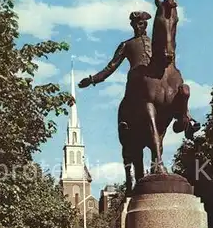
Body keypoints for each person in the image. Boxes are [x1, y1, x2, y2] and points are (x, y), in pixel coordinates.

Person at [78, 11, 200, 139]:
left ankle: (185, 118)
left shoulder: (155, 44)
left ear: (145, 25)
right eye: (134, 24)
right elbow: (111, 66)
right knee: (131, 90)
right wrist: (92, 79)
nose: (137, 27)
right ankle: (125, 121)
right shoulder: (126, 45)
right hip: (136, 77)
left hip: (153, 75)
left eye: (140, 24)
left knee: (172, 85)